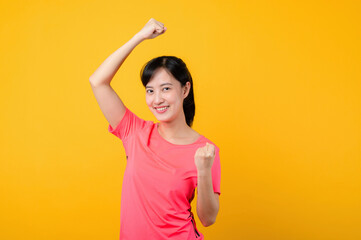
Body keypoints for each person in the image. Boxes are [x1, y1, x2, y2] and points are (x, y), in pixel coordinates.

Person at [89, 18, 221, 240]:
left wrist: (204, 170)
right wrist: (139, 36)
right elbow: (98, 81)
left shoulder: (206, 151)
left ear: (185, 89)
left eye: (166, 88)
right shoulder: (135, 132)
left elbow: (207, 219)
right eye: (150, 91)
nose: (157, 99)